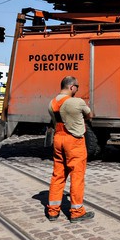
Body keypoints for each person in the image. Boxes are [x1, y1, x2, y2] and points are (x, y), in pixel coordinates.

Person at [46, 76, 94, 223]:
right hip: (74, 141)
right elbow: (90, 115)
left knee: (58, 175)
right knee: (77, 176)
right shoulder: (77, 102)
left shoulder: (52, 103)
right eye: (77, 87)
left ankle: (53, 211)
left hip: (58, 139)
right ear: (72, 87)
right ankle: (76, 212)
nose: (77, 90)